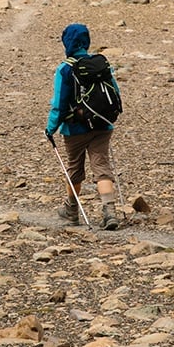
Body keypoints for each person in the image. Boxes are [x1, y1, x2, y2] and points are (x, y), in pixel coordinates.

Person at [45, 23, 123, 230]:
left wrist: (50, 128)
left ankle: (72, 210)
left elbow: (59, 104)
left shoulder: (65, 68)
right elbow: (115, 93)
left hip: (75, 128)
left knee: (74, 168)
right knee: (101, 166)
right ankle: (110, 212)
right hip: (103, 124)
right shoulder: (101, 64)